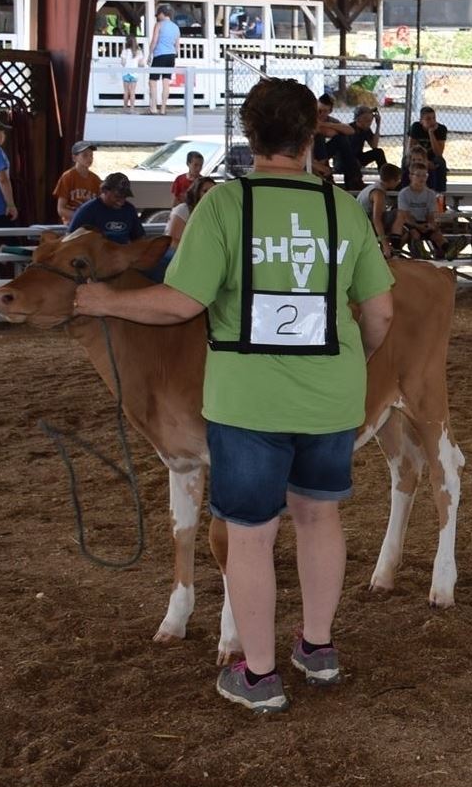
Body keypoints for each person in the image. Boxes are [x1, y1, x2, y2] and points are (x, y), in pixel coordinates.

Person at [74, 77, 394, 714]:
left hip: (246, 401)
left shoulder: (224, 207)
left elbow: (181, 304)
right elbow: (380, 312)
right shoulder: (342, 209)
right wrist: (352, 362)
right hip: (331, 396)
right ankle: (319, 649)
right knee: (318, 515)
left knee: (249, 533)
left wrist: (104, 300)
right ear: (310, 137)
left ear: (250, 138)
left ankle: (260, 675)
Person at [69, 172, 145, 245]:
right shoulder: (87, 210)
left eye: (124, 197)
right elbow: (70, 239)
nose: (121, 202)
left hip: (122, 254)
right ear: (104, 191)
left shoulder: (129, 210)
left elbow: (139, 238)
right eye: (117, 197)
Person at [394, 164, 446, 258]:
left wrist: (430, 225)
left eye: (424, 175)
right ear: (411, 176)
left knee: (436, 233)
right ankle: (420, 253)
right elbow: (405, 216)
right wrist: (417, 226)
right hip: (409, 223)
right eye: (418, 175)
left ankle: (447, 249)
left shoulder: (430, 194)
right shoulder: (404, 193)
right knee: (414, 233)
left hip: (423, 222)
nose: (421, 178)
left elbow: (430, 215)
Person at [358, 162, 401, 258]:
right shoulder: (378, 193)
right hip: (364, 225)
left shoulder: (373, 187)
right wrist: (385, 244)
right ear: (391, 181)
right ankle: (392, 250)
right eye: (398, 179)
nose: (399, 182)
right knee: (399, 214)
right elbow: (376, 220)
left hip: (363, 222)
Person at [53, 140, 102, 225]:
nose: (89, 158)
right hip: (71, 224)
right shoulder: (67, 177)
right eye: (85, 155)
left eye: (91, 155)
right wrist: (80, 217)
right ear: (74, 158)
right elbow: (61, 209)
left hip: (90, 225)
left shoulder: (96, 180)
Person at [147, 4, 180, 115]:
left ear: (162, 13)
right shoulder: (176, 27)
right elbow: (177, 45)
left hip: (160, 54)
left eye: (158, 14)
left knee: (153, 81)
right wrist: (175, 55)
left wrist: (149, 54)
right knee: (166, 82)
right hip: (171, 56)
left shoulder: (159, 25)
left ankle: (153, 108)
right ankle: (163, 109)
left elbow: (154, 41)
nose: (157, 16)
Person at [405, 106, 448, 193]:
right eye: (428, 119)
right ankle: (404, 190)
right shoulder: (416, 127)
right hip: (417, 156)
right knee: (405, 161)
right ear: (421, 121)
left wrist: (431, 133)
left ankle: (440, 193)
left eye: (434, 118)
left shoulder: (441, 129)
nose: (432, 121)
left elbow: (439, 153)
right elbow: (409, 150)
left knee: (440, 162)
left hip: (432, 158)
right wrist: (422, 161)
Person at [343, 106, 387, 190]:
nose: (369, 122)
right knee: (352, 163)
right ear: (358, 119)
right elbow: (346, 152)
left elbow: (374, 145)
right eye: (366, 120)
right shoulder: (350, 129)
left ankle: (386, 178)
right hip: (347, 159)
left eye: (370, 120)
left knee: (378, 152)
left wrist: (378, 125)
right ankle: (355, 186)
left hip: (358, 157)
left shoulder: (366, 129)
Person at [166, 175, 216, 247]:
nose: (210, 194)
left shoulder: (214, 211)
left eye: (213, 191)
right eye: (205, 191)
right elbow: (172, 241)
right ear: (196, 193)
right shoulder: (183, 209)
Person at [120, 36, 144, 113]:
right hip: (134, 74)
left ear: (127, 42)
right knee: (133, 92)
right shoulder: (139, 51)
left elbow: (123, 63)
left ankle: (124, 108)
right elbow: (141, 64)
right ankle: (132, 108)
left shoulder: (125, 51)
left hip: (126, 74)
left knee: (126, 91)